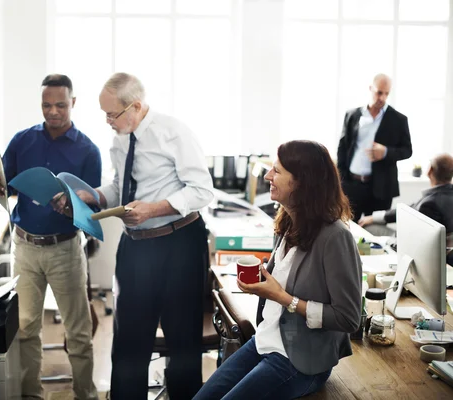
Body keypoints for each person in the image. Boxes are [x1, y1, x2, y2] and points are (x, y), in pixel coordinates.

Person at [77, 72, 213, 399]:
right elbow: (120, 186)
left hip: (179, 245)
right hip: (135, 247)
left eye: (112, 113)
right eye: (104, 114)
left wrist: (152, 210)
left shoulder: (173, 133)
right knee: (128, 343)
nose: (107, 121)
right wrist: (93, 196)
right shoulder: (120, 137)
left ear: (135, 106)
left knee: (182, 343)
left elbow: (202, 191)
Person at [194, 140, 362, 400]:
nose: (267, 176)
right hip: (265, 340)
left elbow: (349, 318)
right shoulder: (288, 221)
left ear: (302, 182)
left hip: (300, 360)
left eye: (277, 171)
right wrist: (263, 282)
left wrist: (283, 298)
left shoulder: (336, 237)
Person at [0, 74, 101, 400]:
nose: (53, 111)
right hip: (24, 246)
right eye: (46, 105)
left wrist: (71, 207)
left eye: (60, 105)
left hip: (64, 248)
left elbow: (91, 208)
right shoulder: (23, 141)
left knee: (78, 333)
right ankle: (30, 395)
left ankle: (85, 394)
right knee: (25, 329)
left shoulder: (88, 151)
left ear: (73, 103)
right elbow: (4, 188)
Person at [337, 73, 412, 222]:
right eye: (379, 92)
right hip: (352, 185)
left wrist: (386, 152)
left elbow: (407, 150)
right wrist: (341, 179)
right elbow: (342, 148)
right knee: (347, 229)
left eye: (386, 94)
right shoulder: (352, 115)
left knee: (376, 234)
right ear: (371, 89)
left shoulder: (399, 120)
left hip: (381, 188)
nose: (382, 98)